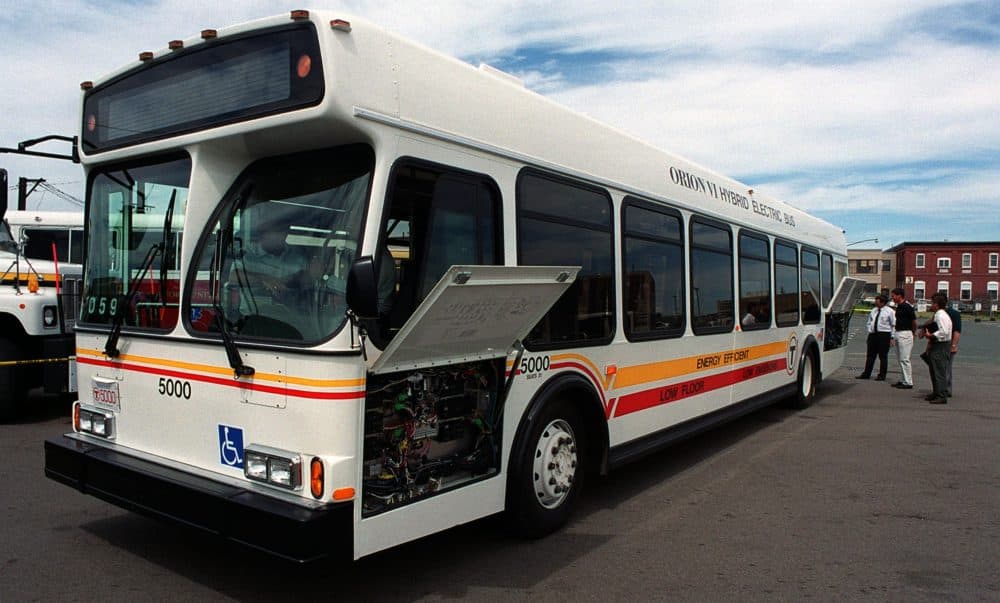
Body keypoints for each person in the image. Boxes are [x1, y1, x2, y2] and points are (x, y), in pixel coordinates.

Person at [919, 293, 953, 404]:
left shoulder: (940, 315)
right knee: (934, 369)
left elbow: (944, 331)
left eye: (932, 303)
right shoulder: (940, 314)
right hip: (938, 344)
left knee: (939, 370)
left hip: (941, 345)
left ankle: (942, 395)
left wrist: (931, 336)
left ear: (937, 305)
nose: (931, 305)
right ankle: (936, 392)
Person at [857, 294, 895, 380]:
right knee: (870, 355)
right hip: (873, 335)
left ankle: (882, 375)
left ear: (882, 302)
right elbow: (870, 321)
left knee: (883, 356)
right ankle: (866, 373)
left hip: (884, 334)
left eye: (877, 302)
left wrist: (892, 337)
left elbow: (893, 325)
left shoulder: (890, 312)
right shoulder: (874, 310)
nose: (875, 303)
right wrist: (869, 329)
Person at [890, 288, 916, 389]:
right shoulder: (899, 306)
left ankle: (908, 382)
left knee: (905, 359)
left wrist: (913, 333)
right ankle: (903, 379)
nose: (892, 298)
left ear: (899, 295)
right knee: (900, 359)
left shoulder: (907, 306)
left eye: (893, 296)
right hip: (898, 332)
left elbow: (914, 321)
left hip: (905, 333)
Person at [944, 302, 962, 397]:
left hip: (948, 343)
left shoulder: (953, 314)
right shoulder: (939, 313)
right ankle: (943, 388)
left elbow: (957, 331)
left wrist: (954, 345)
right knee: (944, 367)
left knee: (946, 366)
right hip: (942, 343)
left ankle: (946, 389)